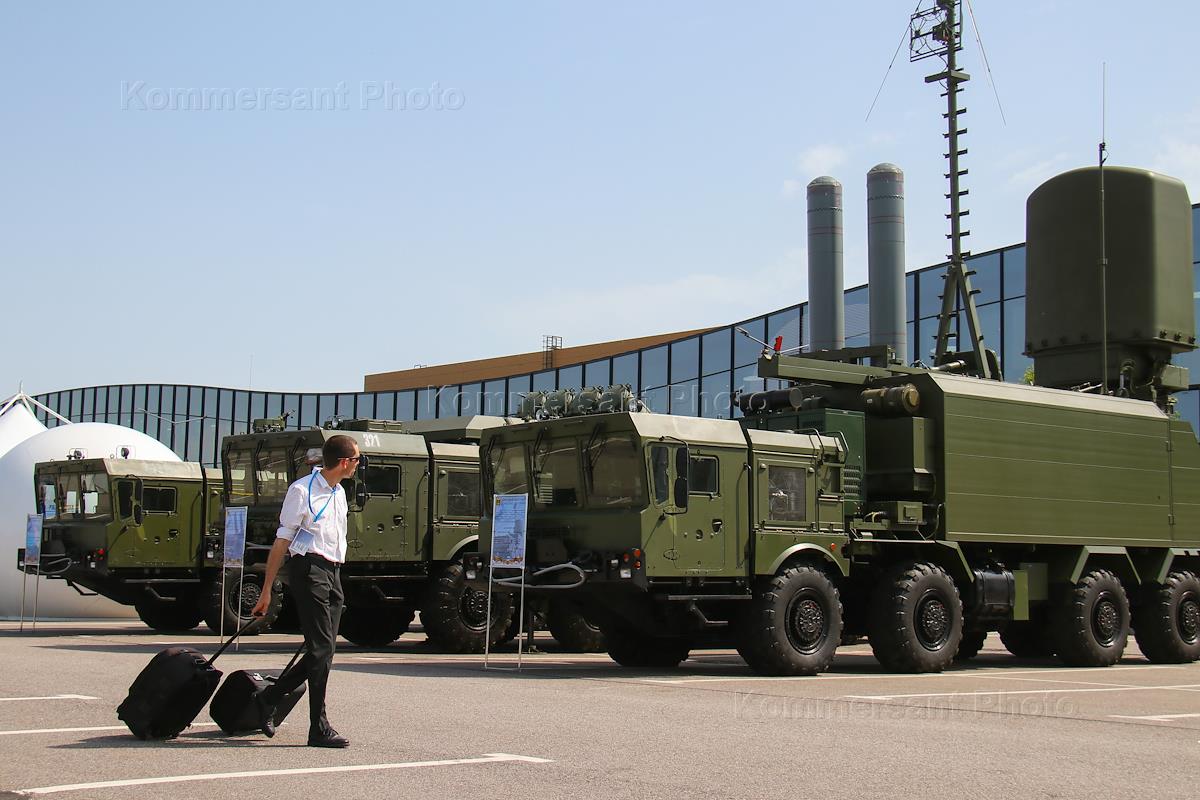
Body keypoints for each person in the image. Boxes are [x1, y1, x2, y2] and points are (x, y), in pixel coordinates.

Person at [250, 433, 360, 748]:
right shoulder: (302, 491)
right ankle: (318, 727)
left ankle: (269, 697)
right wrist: (266, 590)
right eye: (356, 460)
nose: (357, 465)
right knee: (321, 649)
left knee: (322, 650)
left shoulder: (339, 492)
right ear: (344, 462)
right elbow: (282, 541)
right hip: (309, 570)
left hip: (333, 573)